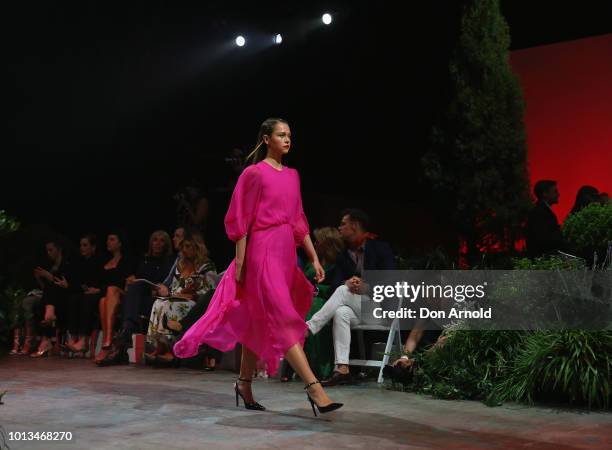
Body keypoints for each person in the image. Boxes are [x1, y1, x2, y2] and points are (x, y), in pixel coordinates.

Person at [173, 118, 342, 415]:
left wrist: (313, 257)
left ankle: (244, 384)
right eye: (281, 135)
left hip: (285, 253)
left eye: (290, 134)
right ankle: (314, 388)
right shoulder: (254, 174)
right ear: (266, 139)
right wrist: (240, 262)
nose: (288, 139)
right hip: (261, 252)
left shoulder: (292, 175)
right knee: (281, 317)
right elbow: (241, 220)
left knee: (255, 318)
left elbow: (299, 221)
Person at [306, 208, 396, 386]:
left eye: (343, 224)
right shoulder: (343, 256)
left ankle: (308, 329)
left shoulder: (380, 248)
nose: (340, 228)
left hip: (380, 310)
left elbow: (391, 281)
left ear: (354, 226)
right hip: (358, 309)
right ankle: (342, 369)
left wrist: (366, 287)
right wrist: (347, 283)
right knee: (341, 312)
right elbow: (335, 287)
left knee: (342, 292)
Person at [146, 232, 216, 367]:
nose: (185, 250)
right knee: (159, 302)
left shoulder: (206, 266)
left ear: (197, 248)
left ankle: (171, 350)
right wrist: (175, 293)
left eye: (188, 246)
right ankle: (161, 346)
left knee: (169, 306)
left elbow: (210, 291)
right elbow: (175, 286)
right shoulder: (180, 265)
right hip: (179, 298)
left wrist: (191, 294)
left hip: (195, 303)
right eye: (183, 247)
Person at [31, 239, 78, 357]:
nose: (48, 253)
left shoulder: (67, 264)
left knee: (51, 290)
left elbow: (63, 284)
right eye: (47, 250)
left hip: (66, 297)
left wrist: (49, 277)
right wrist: (39, 278)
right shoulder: (51, 266)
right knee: (39, 300)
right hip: (51, 300)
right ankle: (49, 314)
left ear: (59, 249)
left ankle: (46, 339)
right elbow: (45, 288)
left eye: (51, 250)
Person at [95, 232, 135, 365]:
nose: (108, 242)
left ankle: (107, 342)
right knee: (102, 300)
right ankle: (108, 343)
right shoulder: (105, 262)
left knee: (112, 289)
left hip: (123, 295)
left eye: (112, 240)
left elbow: (129, 280)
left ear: (120, 243)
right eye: (108, 239)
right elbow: (100, 284)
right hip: (108, 298)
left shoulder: (127, 260)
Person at [65, 233, 104, 354]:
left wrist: (95, 289)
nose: (82, 248)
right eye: (81, 245)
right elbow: (76, 281)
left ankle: (83, 340)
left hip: (98, 292)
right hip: (84, 292)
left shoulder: (100, 261)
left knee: (87, 300)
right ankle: (73, 337)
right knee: (73, 298)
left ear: (93, 247)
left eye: (85, 245)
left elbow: (103, 280)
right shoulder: (79, 262)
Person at [526, 180, 563, 257]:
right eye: (555, 191)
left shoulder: (540, 211)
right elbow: (544, 240)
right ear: (545, 194)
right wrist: (561, 231)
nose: (558, 194)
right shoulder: (540, 213)